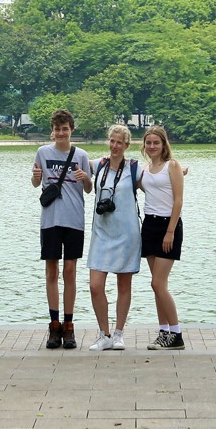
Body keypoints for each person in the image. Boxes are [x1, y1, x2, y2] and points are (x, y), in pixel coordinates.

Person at [31, 109, 93, 350]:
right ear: (52, 130)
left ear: (71, 130)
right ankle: (54, 324)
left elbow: (88, 189)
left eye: (65, 129)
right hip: (50, 220)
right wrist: (36, 177)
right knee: (51, 272)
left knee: (70, 271)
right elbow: (37, 183)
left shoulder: (82, 155)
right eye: (57, 129)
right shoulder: (43, 152)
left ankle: (69, 325)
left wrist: (84, 177)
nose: (61, 133)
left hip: (74, 220)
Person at [87, 125, 142, 351]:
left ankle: (118, 333)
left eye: (120, 142)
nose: (115, 146)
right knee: (95, 285)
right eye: (112, 141)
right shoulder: (98, 165)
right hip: (102, 233)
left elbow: (160, 173)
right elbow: (73, 161)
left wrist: (178, 170)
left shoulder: (135, 169)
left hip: (127, 234)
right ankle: (103, 334)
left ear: (127, 145)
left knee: (123, 285)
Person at [140, 125, 186, 350]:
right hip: (149, 224)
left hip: (168, 226)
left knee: (157, 283)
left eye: (156, 143)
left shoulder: (173, 165)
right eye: (148, 143)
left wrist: (170, 231)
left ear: (163, 144)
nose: (152, 146)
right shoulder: (146, 169)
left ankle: (176, 334)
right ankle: (164, 332)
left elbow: (178, 200)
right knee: (158, 286)